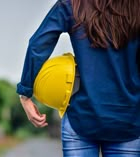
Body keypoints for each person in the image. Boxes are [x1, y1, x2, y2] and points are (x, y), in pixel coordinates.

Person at [16, 0, 140, 156]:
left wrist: (25, 94)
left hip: (81, 118)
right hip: (128, 120)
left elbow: (37, 44)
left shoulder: (73, 3)